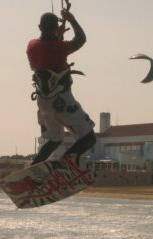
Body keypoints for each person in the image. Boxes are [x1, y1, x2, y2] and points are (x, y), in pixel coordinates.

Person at [27, 9, 96, 167]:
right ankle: (62, 165)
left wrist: (56, 34)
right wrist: (71, 19)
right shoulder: (59, 47)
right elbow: (81, 39)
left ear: (39, 27)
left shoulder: (31, 45)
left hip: (43, 103)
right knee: (89, 138)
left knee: (54, 140)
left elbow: (48, 47)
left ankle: (34, 167)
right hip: (62, 102)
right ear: (55, 28)